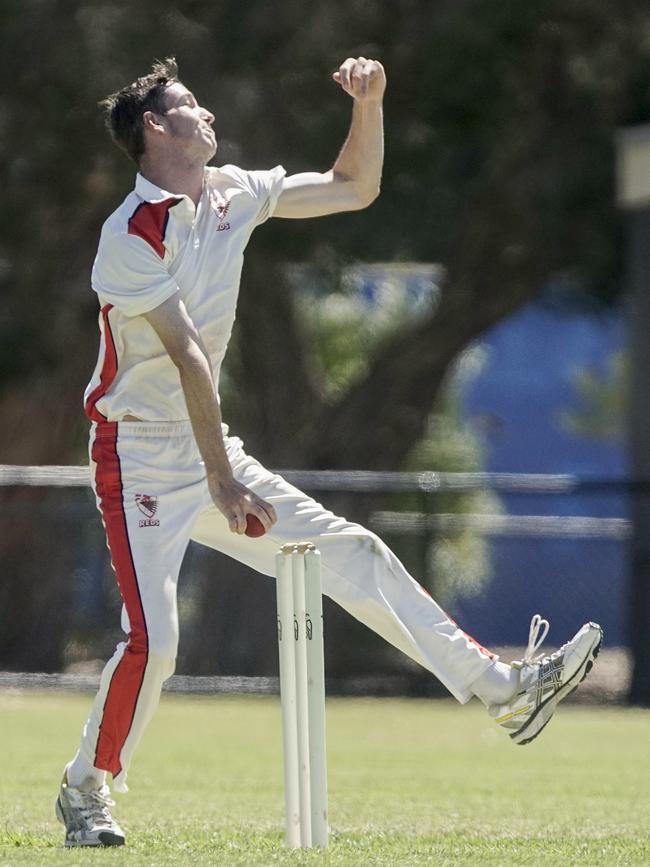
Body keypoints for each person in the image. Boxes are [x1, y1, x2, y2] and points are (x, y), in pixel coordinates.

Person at [55, 56, 602, 848]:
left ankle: (506, 691)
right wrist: (222, 482)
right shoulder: (128, 236)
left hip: (210, 448)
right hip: (135, 456)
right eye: (191, 106)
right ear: (156, 126)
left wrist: (370, 107)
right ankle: (86, 789)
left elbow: (354, 187)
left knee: (355, 550)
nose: (208, 114)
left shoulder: (234, 193)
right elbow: (188, 360)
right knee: (157, 641)